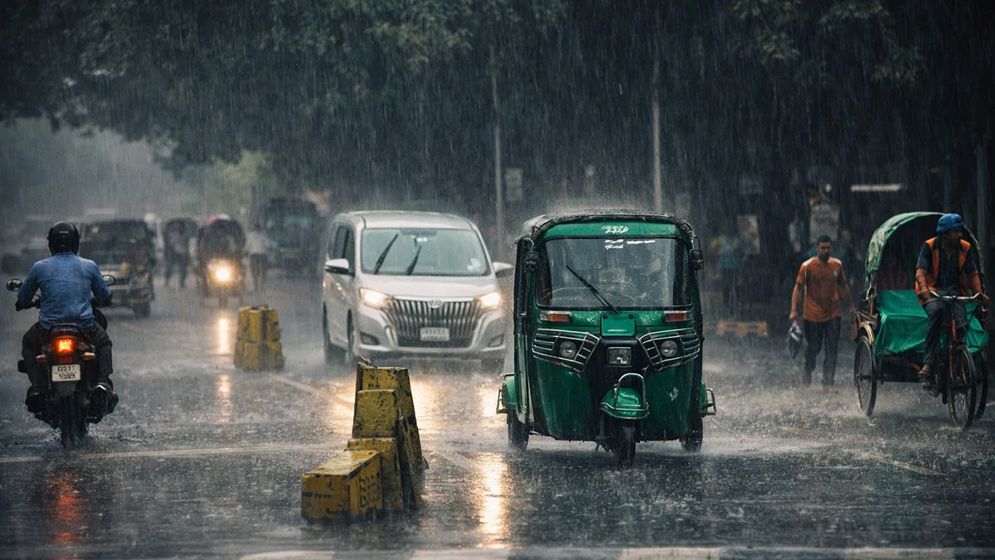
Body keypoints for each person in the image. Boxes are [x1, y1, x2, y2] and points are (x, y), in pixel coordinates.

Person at [16, 222, 115, 413]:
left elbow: (23, 297)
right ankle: (102, 383)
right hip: (84, 327)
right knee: (103, 343)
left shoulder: (39, 267)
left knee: (29, 343)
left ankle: (37, 387)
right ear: (75, 242)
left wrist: (23, 303)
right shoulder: (89, 266)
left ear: (51, 243)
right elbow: (104, 296)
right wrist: (105, 299)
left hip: (48, 329)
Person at [914, 213, 989, 391]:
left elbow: (972, 274)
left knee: (962, 323)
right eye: (956, 232)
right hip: (933, 291)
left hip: (956, 292)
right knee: (937, 311)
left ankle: (959, 360)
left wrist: (979, 294)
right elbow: (920, 272)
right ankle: (929, 362)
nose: (960, 235)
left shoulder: (965, 248)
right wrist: (924, 289)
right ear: (945, 234)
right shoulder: (929, 246)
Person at [789, 235, 854, 386]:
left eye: (828, 248)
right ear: (817, 248)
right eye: (823, 248)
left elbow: (843, 286)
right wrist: (793, 310)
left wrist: (851, 306)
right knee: (814, 348)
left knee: (832, 349)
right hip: (812, 315)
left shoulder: (837, 265)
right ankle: (808, 368)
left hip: (833, 313)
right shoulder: (807, 267)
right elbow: (798, 288)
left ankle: (828, 382)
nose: (825, 251)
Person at [164, 223, 191, 288]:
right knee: (169, 267)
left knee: (184, 269)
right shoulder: (173, 234)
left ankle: (182, 282)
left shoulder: (185, 235)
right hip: (173, 252)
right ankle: (167, 281)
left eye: (180, 227)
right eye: (178, 227)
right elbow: (170, 243)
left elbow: (187, 244)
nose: (179, 228)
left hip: (183, 253)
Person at [246, 225, 269, 292]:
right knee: (263, 272)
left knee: (254, 272)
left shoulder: (250, 235)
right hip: (262, 255)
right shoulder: (263, 235)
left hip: (254, 255)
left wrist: (245, 251)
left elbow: (247, 246)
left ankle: (256, 287)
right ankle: (261, 286)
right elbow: (267, 245)